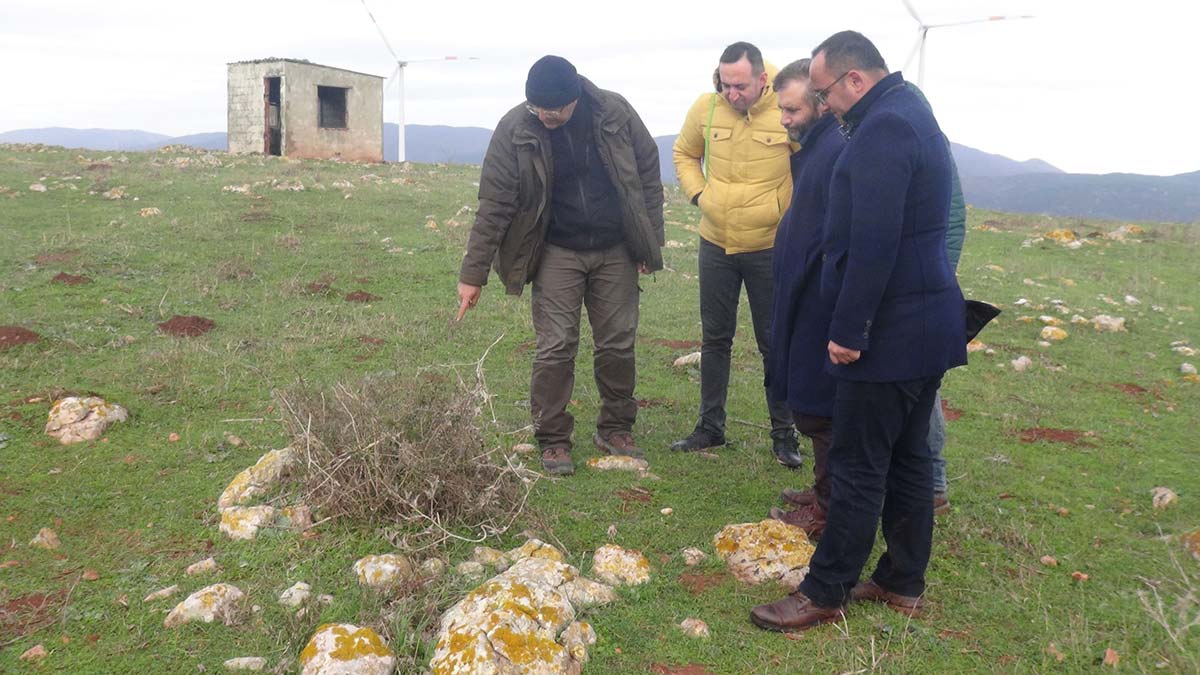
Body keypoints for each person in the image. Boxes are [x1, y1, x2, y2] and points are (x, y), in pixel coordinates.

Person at [749, 31, 967, 632]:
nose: (823, 106)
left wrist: (849, 330)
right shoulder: (910, 107)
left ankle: (825, 590)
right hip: (927, 324)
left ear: (855, 79)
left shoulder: (882, 129)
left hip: (890, 331)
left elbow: (874, 241)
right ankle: (901, 580)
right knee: (909, 458)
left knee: (858, 464)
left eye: (824, 94)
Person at [771, 79, 967, 529]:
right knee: (841, 406)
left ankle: (841, 511)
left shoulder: (875, 136)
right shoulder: (834, 141)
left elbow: (868, 238)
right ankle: (831, 494)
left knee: (867, 412)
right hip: (834, 294)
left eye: (795, 108)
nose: (785, 119)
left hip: (876, 301)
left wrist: (847, 318)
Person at [456, 55, 664, 476]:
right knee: (555, 345)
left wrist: (649, 242)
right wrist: (472, 275)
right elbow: (494, 204)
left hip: (615, 248)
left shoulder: (615, 112)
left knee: (617, 343)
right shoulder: (515, 128)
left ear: (575, 98)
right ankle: (552, 438)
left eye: (555, 110)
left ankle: (616, 428)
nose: (546, 117)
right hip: (555, 250)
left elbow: (646, 174)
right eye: (539, 109)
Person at [670, 41, 802, 467]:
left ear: (762, 79)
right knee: (715, 338)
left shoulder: (788, 107)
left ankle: (785, 435)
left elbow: (810, 163)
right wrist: (699, 195)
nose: (731, 94)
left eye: (740, 86)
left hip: (770, 246)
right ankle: (710, 428)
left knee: (774, 342)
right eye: (725, 84)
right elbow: (684, 153)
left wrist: (791, 213)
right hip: (716, 242)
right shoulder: (705, 108)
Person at [761, 58, 846, 540]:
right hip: (803, 294)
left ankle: (829, 510)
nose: (784, 119)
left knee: (821, 407)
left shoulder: (836, 149)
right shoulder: (817, 147)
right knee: (810, 401)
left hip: (819, 300)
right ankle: (821, 492)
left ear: (821, 103)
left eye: (792, 109)